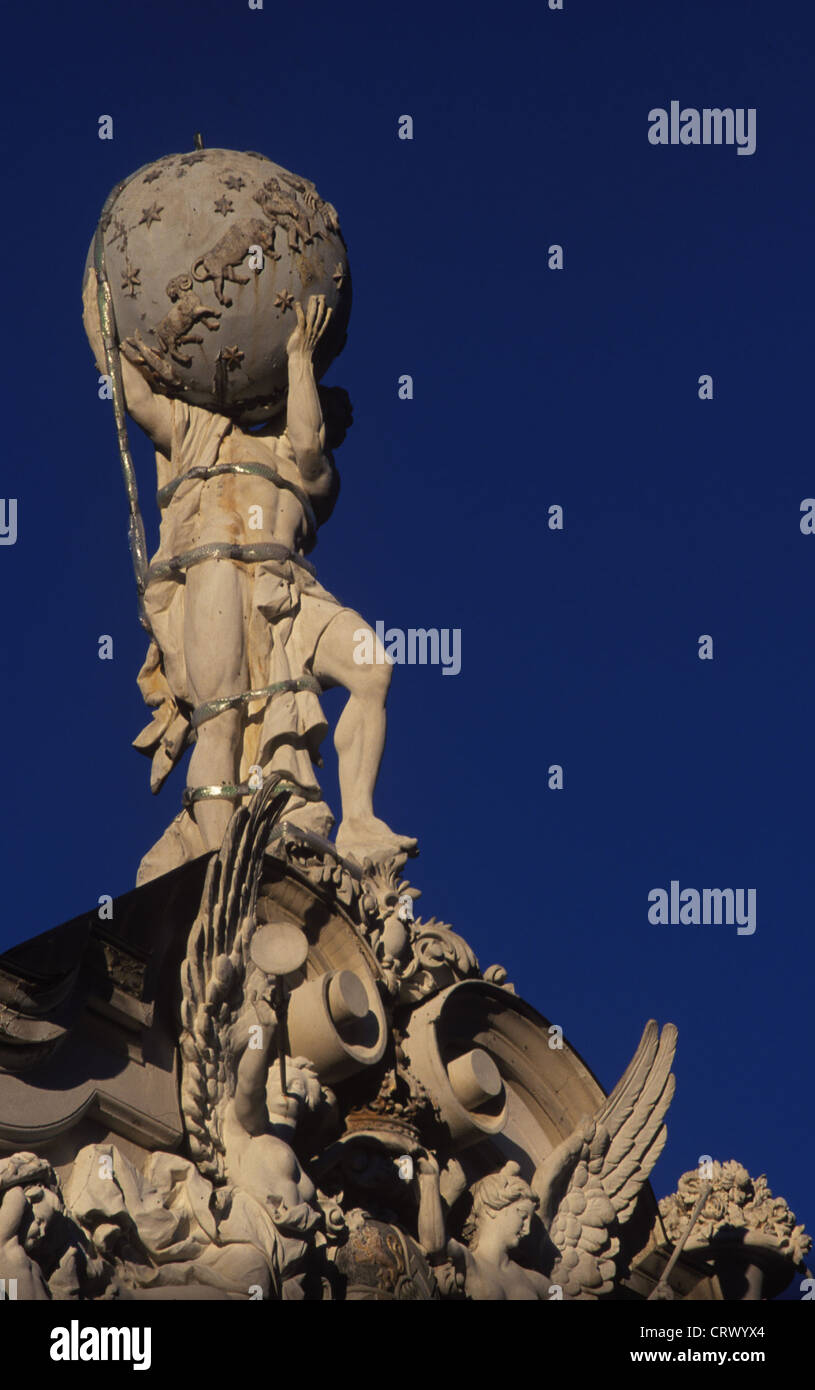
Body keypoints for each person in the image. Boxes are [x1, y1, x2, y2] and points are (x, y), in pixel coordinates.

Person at [83, 273, 416, 881]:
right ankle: (217, 866)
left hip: (289, 589)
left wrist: (296, 356)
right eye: (326, 397)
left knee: (373, 665)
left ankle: (361, 818)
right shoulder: (200, 434)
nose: (336, 414)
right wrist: (95, 305)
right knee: (224, 715)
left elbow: (312, 443)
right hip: (214, 575)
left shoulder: (310, 470)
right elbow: (131, 393)